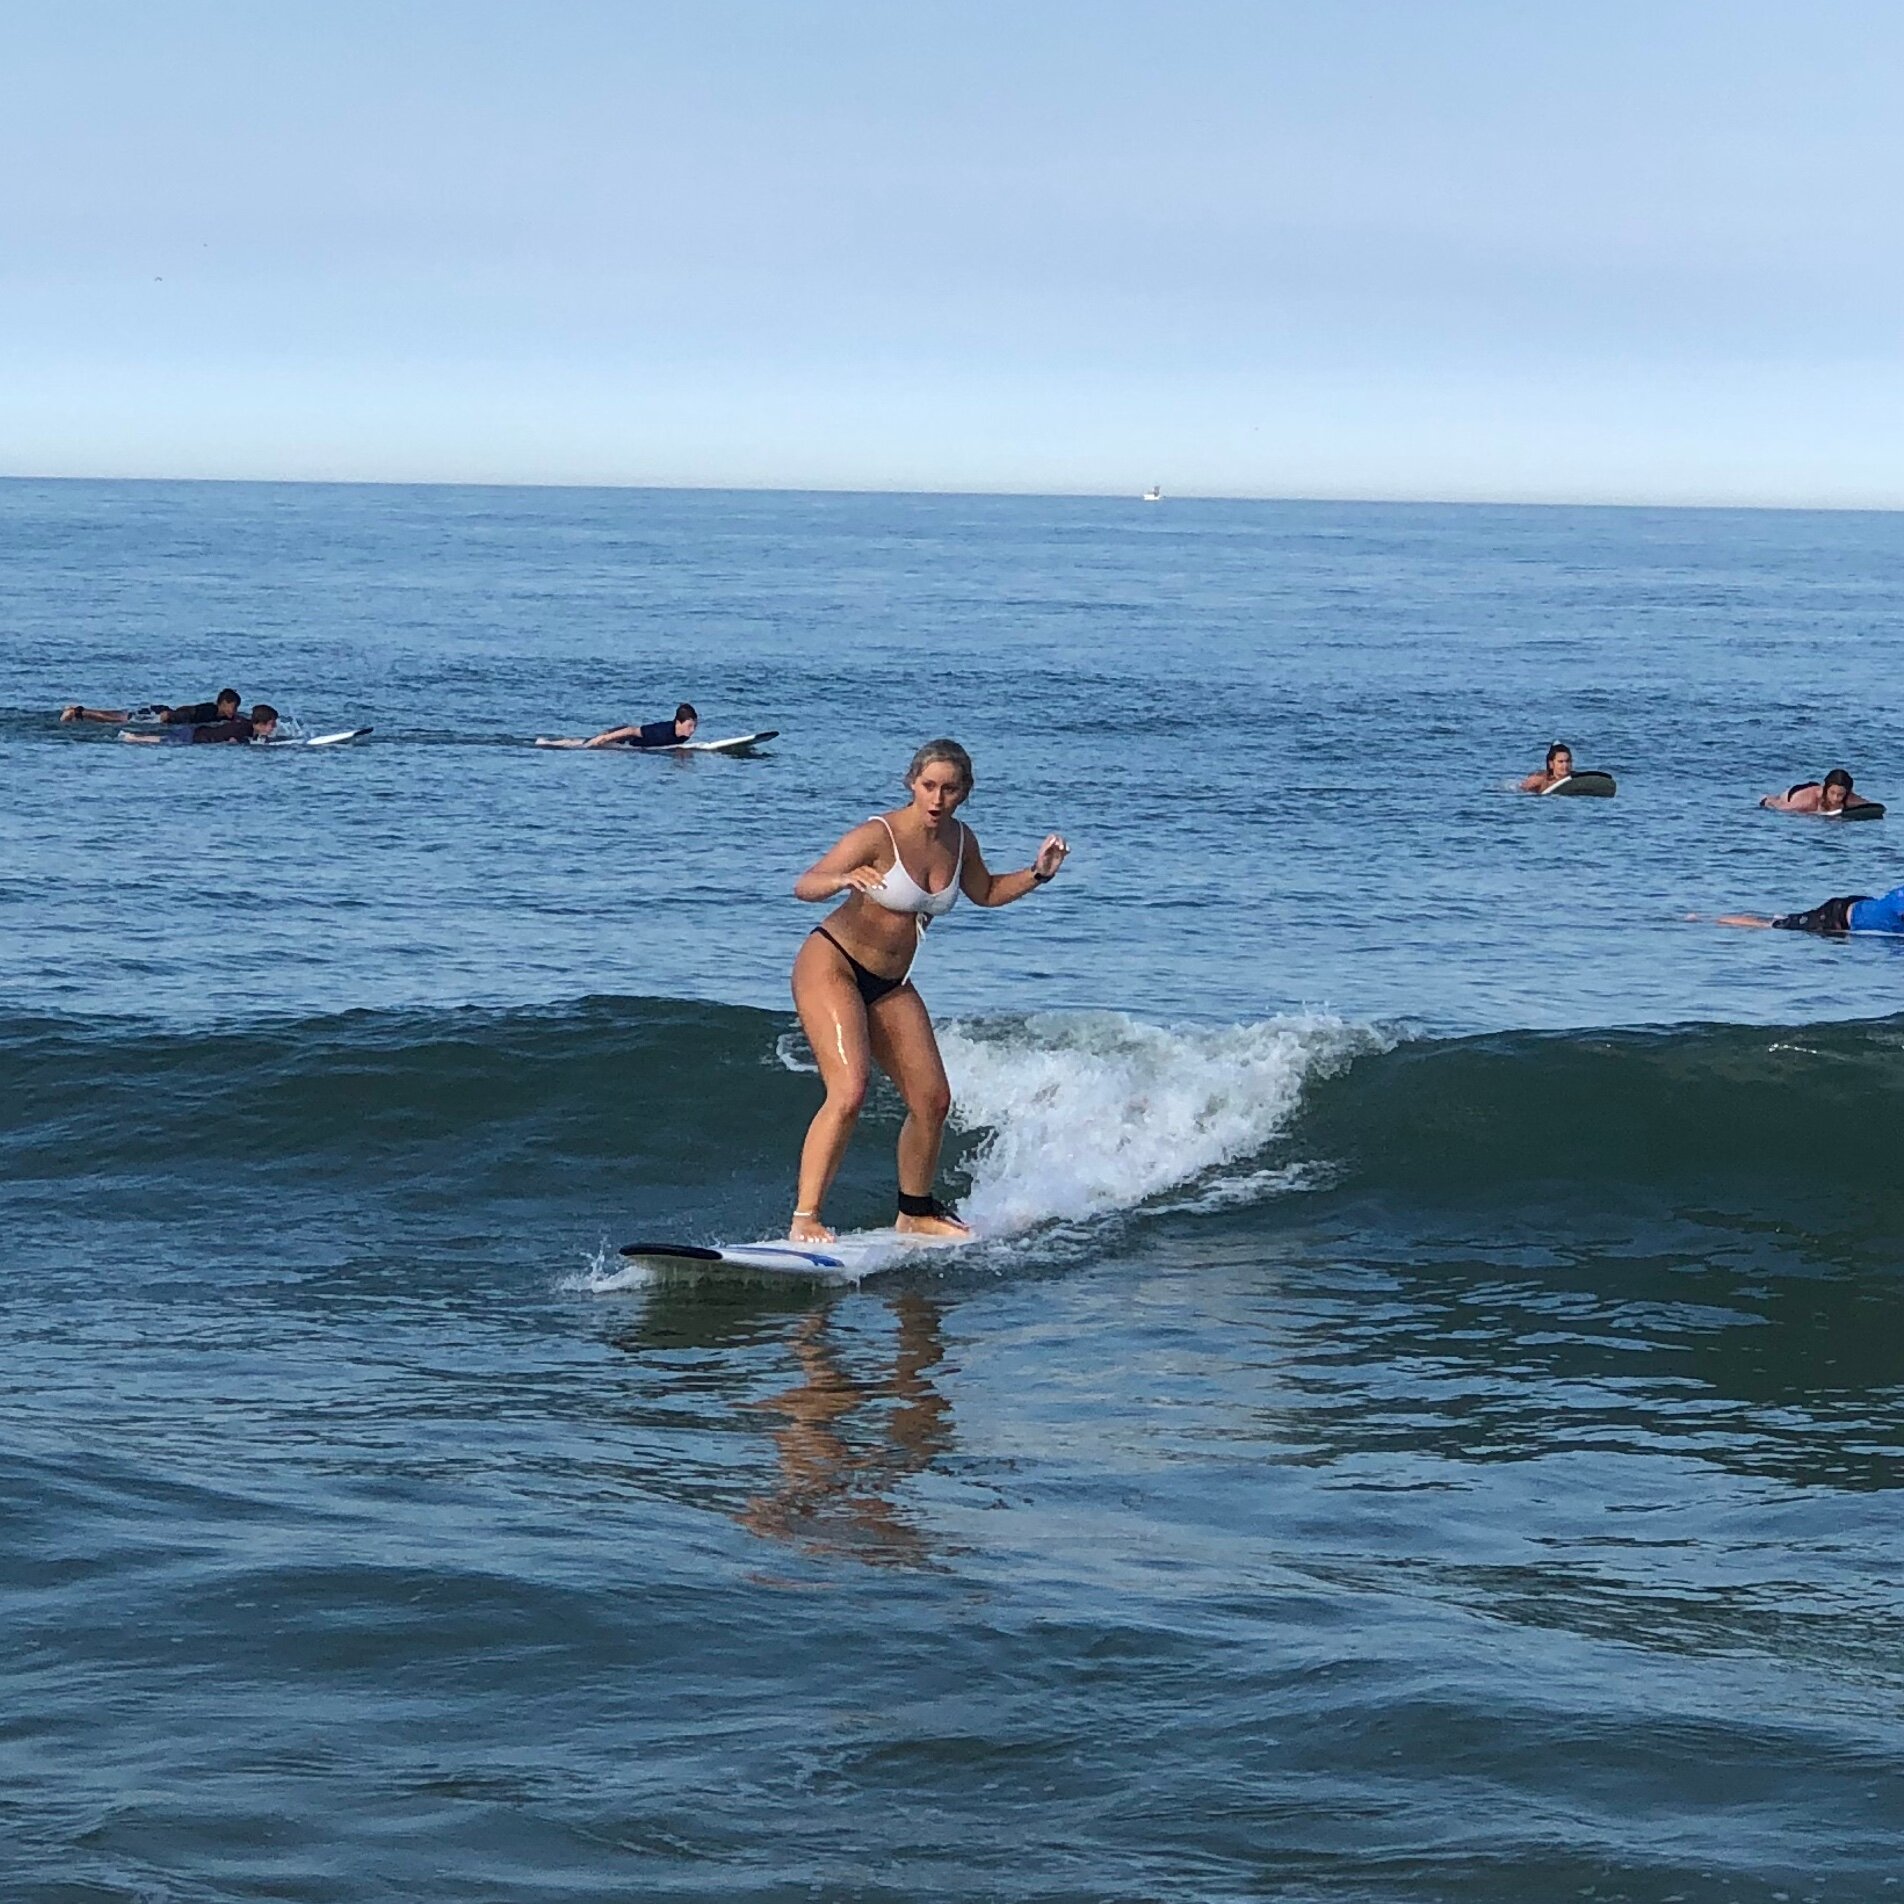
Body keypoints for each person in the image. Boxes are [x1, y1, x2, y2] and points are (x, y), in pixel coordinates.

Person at [788, 738, 1068, 1243]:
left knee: (933, 1099)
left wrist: (1036, 875)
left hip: (892, 982)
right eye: (929, 786)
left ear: (965, 792)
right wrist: (843, 878)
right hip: (832, 962)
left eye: (950, 789)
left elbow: (984, 892)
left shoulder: (960, 841)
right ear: (912, 783)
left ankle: (914, 1211)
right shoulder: (880, 834)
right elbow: (805, 883)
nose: (938, 798)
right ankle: (805, 1219)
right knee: (849, 1092)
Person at [1718, 885, 1904, 935]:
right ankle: (1709, 920)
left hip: (1856, 913)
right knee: (1770, 925)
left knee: (1784, 921)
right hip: (1835, 916)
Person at [63, 689, 242, 726]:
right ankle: (78, 712)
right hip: (160, 714)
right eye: (232, 707)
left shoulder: (219, 716)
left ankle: (80, 712)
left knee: (120, 716)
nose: (233, 711)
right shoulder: (210, 710)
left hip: (162, 712)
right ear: (223, 703)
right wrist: (169, 716)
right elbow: (190, 711)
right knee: (118, 719)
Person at [120, 704, 279, 745]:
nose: (273, 728)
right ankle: (133, 738)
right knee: (162, 740)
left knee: (163, 738)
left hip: (197, 732)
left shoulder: (245, 725)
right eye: (271, 724)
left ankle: (134, 737)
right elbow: (232, 741)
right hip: (195, 736)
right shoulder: (243, 729)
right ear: (260, 723)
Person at [1759, 768, 1880, 816]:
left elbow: (1873, 808)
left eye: (1840, 794)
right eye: (1832, 793)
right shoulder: (1808, 801)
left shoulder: (1849, 798)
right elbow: (1781, 808)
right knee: (1780, 801)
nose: (1836, 798)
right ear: (1826, 789)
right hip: (1795, 793)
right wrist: (1768, 801)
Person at [584, 703, 698, 749]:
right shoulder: (660, 731)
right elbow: (632, 730)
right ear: (678, 722)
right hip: (622, 739)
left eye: (694, 726)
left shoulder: (684, 734)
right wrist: (604, 738)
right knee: (582, 743)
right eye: (689, 726)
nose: (692, 730)